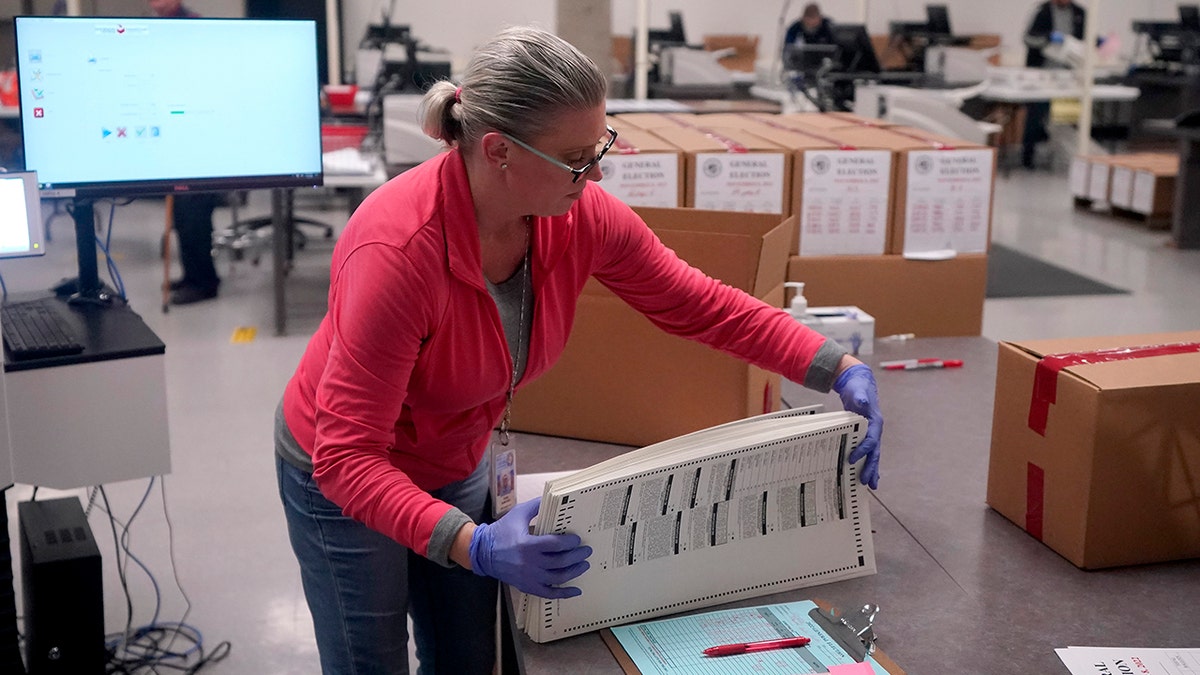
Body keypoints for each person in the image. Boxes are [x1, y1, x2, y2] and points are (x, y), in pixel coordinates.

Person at [274, 26, 884, 675]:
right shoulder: (397, 253)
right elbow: (346, 456)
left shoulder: (578, 214)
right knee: (370, 661)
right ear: (498, 151)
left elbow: (700, 303)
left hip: (451, 452)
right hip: (341, 471)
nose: (596, 172)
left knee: (468, 658)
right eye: (575, 157)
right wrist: (471, 543)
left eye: (600, 147)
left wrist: (835, 365)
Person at [145, 0, 222, 304]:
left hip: (199, 138)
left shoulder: (193, 27)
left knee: (195, 216)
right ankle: (192, 275)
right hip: (175, 137)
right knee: (180, 216)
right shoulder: (153, 30)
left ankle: (204, 282)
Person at [1021, 0, 1086, 169]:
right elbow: (1028, 38)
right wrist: (1047, 39)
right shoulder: (1042, 10)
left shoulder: (1079, 13)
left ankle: (1067, 156)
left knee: (1067, 117)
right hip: (1042, 73)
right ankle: (1028, 156)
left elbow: (1085, 40)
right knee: (1036, 115)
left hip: (1068, 74)